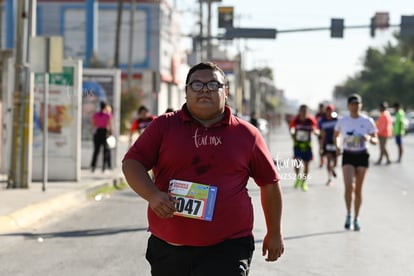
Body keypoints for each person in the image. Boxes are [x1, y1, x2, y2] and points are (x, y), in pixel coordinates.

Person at [122, 62, 284, 275]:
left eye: (213, 85)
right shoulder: (164, 126)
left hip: (228, 247)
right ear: (186, 92)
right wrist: (152, 195)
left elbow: (270, 184)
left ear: (225, 92)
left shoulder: (247, 134)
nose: (204, 90)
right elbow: (132, 163)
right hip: (169, 247)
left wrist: (274, 232)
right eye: (196, 85)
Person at [334, 94, 377, 231]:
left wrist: (368, 138)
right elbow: (336, 135)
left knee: (358, 190)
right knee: (348, 187)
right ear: (348, 106)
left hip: (362, 155)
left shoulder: (367, 121)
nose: (355, 106)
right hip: (348, 155)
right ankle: (348, 214)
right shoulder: (343, 121)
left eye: (357, 104)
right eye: (352, 104)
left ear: (361, 105)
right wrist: (338, 146)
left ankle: (356, 218)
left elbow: (375, 139)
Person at [289, 104, 319, 191]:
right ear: (299, 111)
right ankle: (298, 177)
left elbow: (315, 128)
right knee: (297, 162)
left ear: (307, 112)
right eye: (302, 110)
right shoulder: (296, 119)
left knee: (306, 165)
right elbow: (292, 128)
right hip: (297, 145)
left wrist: (316, 132)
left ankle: (304, 182)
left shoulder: (310, 120)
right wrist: (292, 132)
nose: (303, 112)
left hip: (307, 146)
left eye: (305, 111)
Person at [318, 104, 339, 186]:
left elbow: (340, 131)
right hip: (327, 142)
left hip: (335, 142)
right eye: (327, 111)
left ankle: (333, 169)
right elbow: (320, 132)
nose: (329, 112)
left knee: (335, 161)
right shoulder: (322, 120)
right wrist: (321, 145)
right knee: (329, 159)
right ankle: (329, 178)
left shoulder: (336, 119)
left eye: (330, 111)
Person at [90, 101, 112, 172]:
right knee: (105, 151)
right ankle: (104, 167)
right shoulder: (108, 115)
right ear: (105, 107)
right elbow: (110, 125)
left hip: (98, 132)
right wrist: (110, 133)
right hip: (105, 132)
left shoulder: (95, 115)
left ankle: (93, 166)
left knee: (96, 150)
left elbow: (93, 124)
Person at [315, 102, 326, 168]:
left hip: (327, 133)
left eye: (322, 108)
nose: (321, 109)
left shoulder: (326, 114)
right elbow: (315, 124)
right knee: (321, 147)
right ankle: (321, 160)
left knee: (326, 147)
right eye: (320, 108)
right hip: (320, 133)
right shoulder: (317, 115)